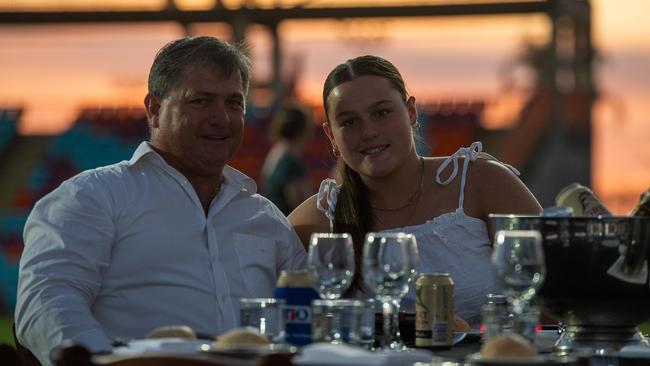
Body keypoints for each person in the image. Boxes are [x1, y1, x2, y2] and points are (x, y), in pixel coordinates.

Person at [15, 36, 307, 365]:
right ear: (154, 109)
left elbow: (308, 315)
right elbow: (47, 300)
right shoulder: (93, 197)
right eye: (201, 101)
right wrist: (106, 362)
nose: (221, 118)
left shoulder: (265, 217)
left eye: (234, 103)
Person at [288, 55, 542, 329]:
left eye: (381, 113)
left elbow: (556, 280)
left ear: (411, 112)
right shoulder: (320, 217)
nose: (369, 131)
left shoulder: (480, 182)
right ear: (331, 136)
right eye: (349, 122)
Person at [261, 103, 315, 215]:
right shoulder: (290, 161)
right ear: (301, 130)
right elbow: (301, 204)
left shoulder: (275, 152)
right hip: (288, 225)